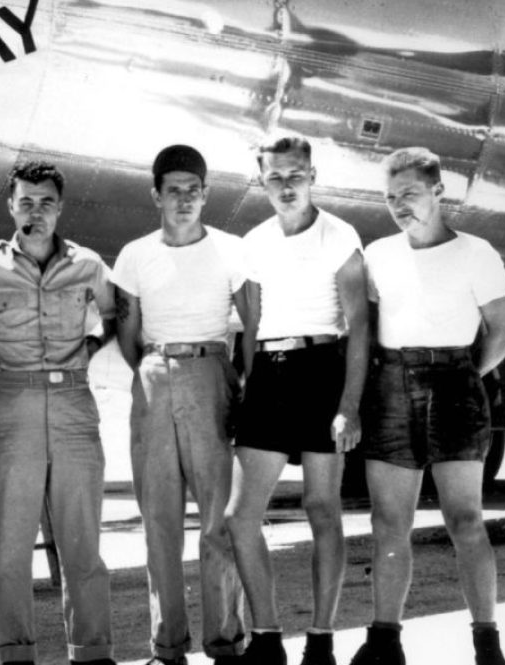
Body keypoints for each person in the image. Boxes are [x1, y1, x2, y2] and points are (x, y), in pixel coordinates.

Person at [348, 147, 505, 665]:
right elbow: (364, 329)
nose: (400, 205)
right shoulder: (377, 254)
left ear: (439, 192)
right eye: (391, 197)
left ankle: (487, 645)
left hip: (456, 388)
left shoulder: (476, 252)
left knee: (466, 520)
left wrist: (464, 376)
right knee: (388, 523)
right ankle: (385, 642)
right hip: (390, 388)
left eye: (411, 194)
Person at [0, 160, 117, 665]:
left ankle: (92, 652)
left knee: (82, 543)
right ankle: (16, 654)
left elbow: (113, 313)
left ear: (60, 208)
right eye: (26, 202)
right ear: (10, 206)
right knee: (11, 548)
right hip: (11, 407)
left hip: (72, 406)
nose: (36, 212)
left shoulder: (89, 265)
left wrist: (91, 344)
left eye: (46, 202)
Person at [224, 134, 369, 665]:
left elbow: (358, 325)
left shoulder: (339, 235)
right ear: (262, 181)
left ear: (313, 177)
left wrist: (348, 405)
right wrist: (246, 384)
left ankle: (322, 639)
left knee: (322, 507)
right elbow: (252, 323)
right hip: (269, 373)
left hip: (322, 370)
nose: (286, 186)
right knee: (240, 517)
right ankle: (266, 637)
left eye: (295, 175)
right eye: (274, 177)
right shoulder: (254, 241)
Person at [114, 146, 248, 665]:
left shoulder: (231, 249)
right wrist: (156, 372)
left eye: (195, 190)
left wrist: (224, 379)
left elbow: (250, 325)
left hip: (211, 370)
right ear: (156, 195)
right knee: (159, 520)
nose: (186, 199)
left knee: (218, 518)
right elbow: (127, 333)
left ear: (206, 194)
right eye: (174, 190)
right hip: (153, 376)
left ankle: (224, 640)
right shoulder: (135, 254)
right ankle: (167, 645)